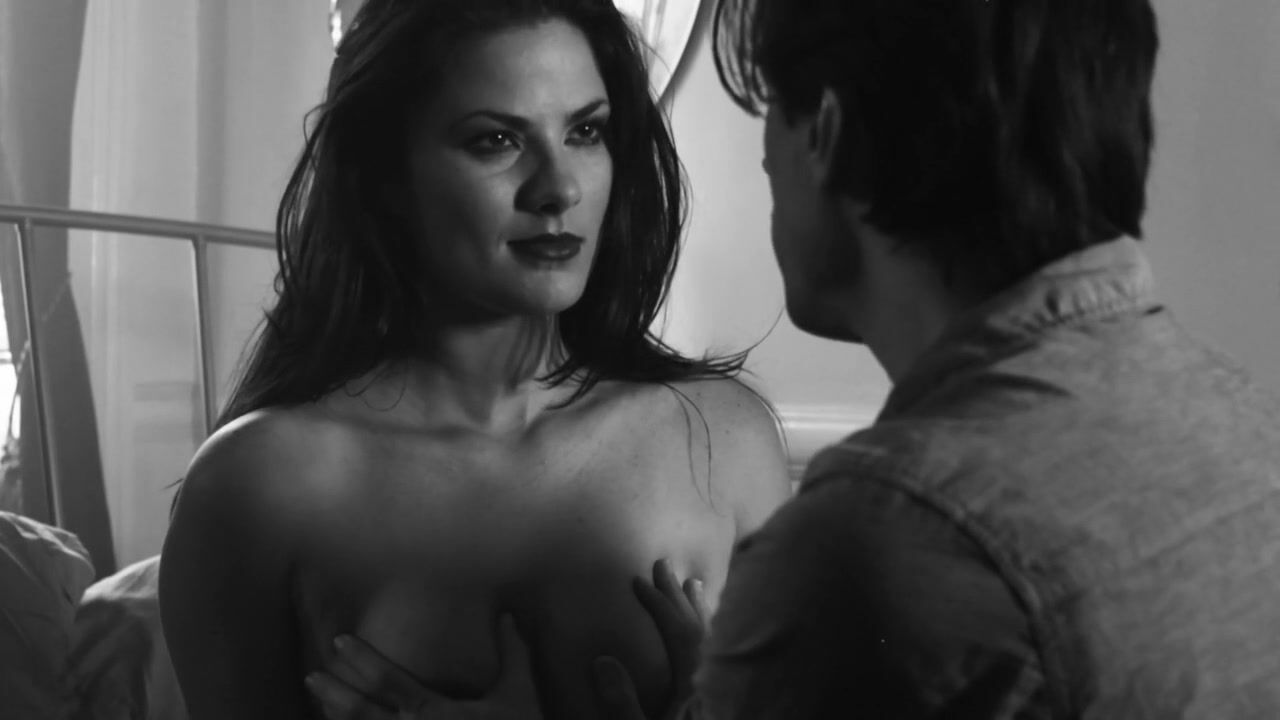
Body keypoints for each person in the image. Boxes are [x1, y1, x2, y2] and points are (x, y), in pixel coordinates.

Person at [306, 0, 1280, 717]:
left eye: (771, 112)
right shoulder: (1239, 422)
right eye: (494, 140)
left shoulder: (886, 534)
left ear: (826, 137)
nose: (560, 185)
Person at [156, 0, 792, 717]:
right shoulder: (259, 485)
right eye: (496, 140)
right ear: (385, 176)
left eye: (585, 131)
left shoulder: (725, 441)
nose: (560, 188)